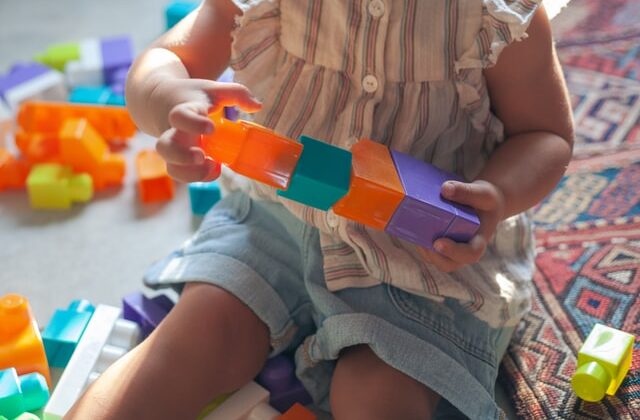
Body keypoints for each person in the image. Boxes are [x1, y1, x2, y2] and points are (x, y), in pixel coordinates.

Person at [68, 0, 574, 418]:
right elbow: (164, 61)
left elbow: (545, 134)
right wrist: (167, 96)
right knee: (191, 343)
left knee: (377, 394)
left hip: (420, 255)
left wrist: (498, 195)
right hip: (275, 222)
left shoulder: (495, 16)